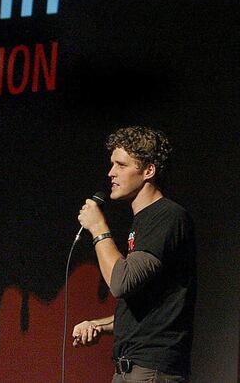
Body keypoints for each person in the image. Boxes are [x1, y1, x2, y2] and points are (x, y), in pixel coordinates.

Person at [73, 126, 196, 382]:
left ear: (148, 170)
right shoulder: (144, 222)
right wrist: (99, 325)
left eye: (121, 165)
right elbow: (147, 313)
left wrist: (98, 227)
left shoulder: (167, 216)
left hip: (150, 370)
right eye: (111, 164)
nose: (111, 173)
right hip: (133, 368)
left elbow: (120, 283)